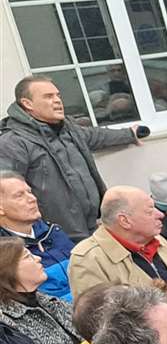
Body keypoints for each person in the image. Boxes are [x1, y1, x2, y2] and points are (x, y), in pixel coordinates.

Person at [0, 75, 140, 240]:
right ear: (27, 104)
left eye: (58, 95)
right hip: (58, 236)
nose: (58, 101)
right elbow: (8, 191)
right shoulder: (12, 142)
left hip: (98, 226)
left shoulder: (69, 129)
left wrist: (130, 134)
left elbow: (96, 136)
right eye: (48, 97)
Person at [66, 187, 167, 293]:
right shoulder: (87, 260)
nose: (160, 214)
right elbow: (100, 316)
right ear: (125, 221)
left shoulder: (157, 239)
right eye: (150, 211)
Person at [0, 239, 79, 344]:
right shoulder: (8, 324)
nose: (38, 258)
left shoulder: (48, 301)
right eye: (27, 257)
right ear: (7, 270)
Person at [0, 172, 74, 300]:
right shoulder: (6, 255)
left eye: (29, 192)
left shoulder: (53, 231)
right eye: (19, 196)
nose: (32, 198)